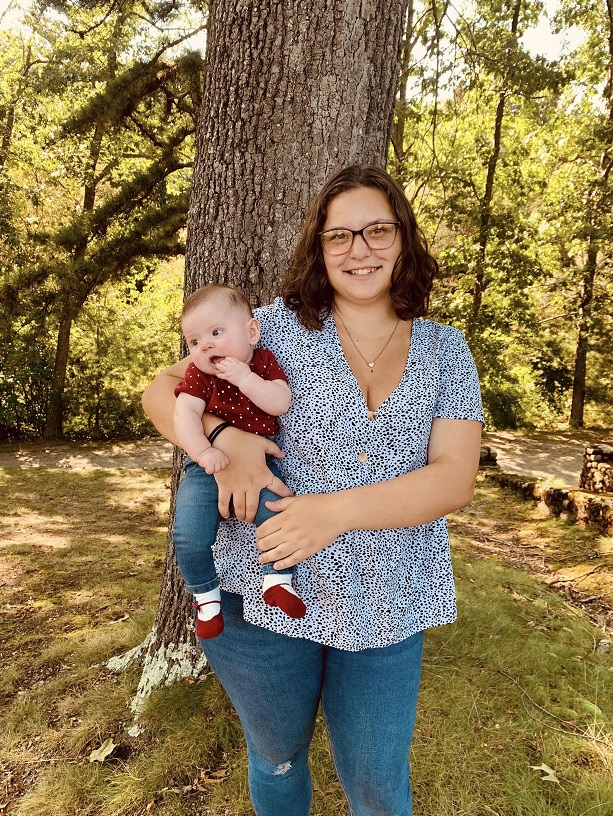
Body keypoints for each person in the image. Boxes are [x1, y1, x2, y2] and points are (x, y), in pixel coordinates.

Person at [142, 164, 484, 816]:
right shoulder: (267, 330)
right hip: (264, 596)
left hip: (389, 602)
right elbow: (159, 391)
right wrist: (223, 435)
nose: (359, 250)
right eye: (339, 236)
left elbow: (453, 476)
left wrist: (335, 513)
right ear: (318, 249)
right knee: (276, 758)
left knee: (379, 789)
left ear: (403, 239)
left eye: (377, 231)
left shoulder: (446, 352)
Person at [173, 283, 306, 640]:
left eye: (216, 333)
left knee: (278, 518)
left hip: (261, 465)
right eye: (195, 342)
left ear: (251, 332)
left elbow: (278, 403)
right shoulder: (199, 376)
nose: (206, 346)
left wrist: (244, 378)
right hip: (206, 469)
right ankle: (206, 598)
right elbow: (184, 414)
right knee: (188, 534)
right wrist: (204, 452)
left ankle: (278, 582)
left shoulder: (261, 364)